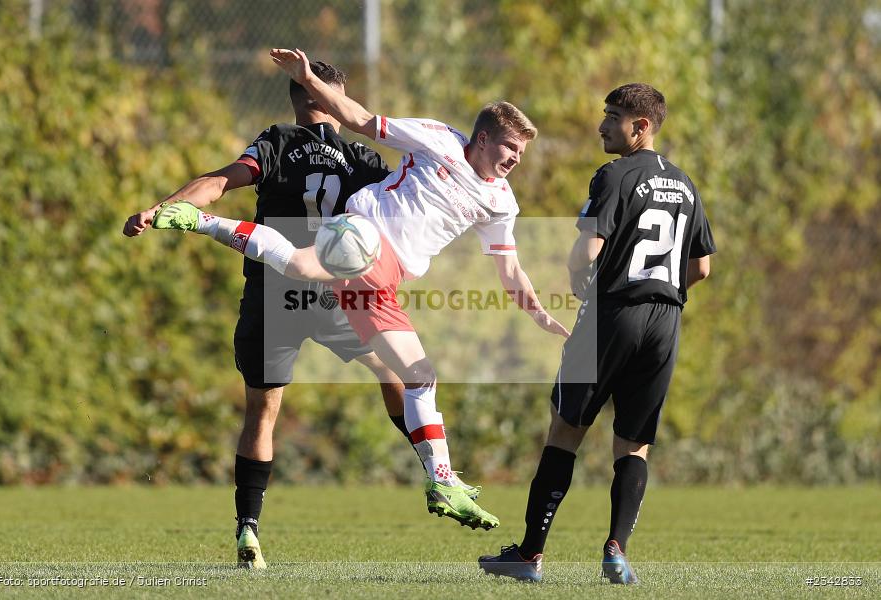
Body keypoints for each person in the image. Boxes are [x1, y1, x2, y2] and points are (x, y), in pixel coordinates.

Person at [149, 47, 570, 533]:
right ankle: (443, 478)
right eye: (510, 148)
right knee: (308, 272)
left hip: (387, 279)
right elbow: (361, 119)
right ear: (482, 138)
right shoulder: (440, 140)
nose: (516, 158)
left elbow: (510, 267)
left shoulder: (502, 202)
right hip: (365, 234)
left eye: (521, 152)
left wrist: (537, 311)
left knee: (417, 373)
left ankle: (442, 482)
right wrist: (309, 77)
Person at [123, 61, 474, 569]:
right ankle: (436, 471)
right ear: (335, 97)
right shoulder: (361, 156)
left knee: (262, 413)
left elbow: (219, 183)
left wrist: (160, 209)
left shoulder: (277, 143)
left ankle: (248, 530)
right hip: (338, 293)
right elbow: (405, 214)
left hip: (273, 291)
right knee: (397, 374)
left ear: (296, 98)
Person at [479, 83, 716, 584]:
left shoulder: (615, 175)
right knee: (633, 445)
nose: (603, 125)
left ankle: (529, 555)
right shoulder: (686, 184)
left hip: (612, 313)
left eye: (613, 117)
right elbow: (703, 267)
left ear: (641, 126)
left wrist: (585, 289)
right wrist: (664, 292)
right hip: (665, 322)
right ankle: (616, 550)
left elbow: (586, 253)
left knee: (565, 430)